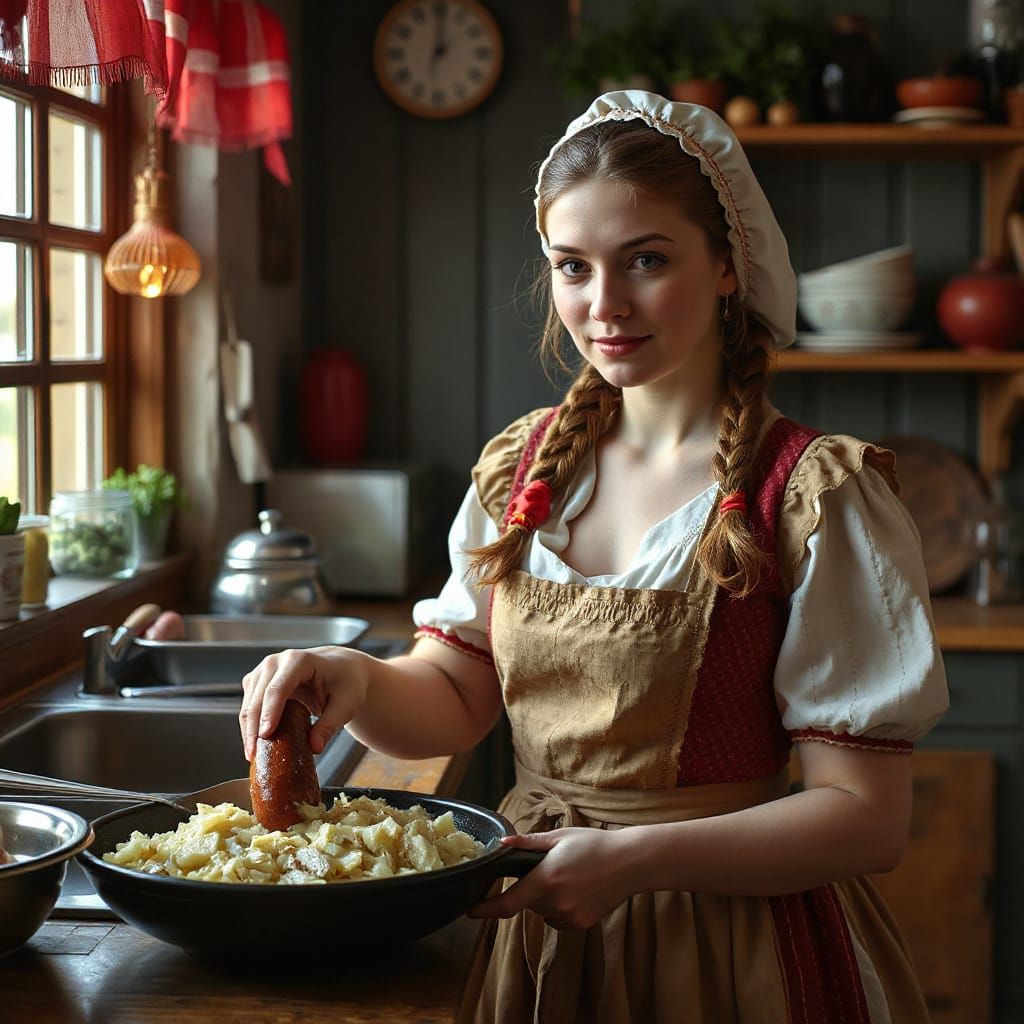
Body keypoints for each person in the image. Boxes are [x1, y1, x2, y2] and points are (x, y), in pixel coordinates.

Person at [239, 91, 948, 1023]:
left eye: (646, 260)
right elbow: (454, 694)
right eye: (572, 266)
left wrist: (633, 860)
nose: (603, 305)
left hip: (734, 951)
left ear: (727, 265)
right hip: (537, 930)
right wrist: (356, 679)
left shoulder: (812, 495)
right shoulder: (525, 468)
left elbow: (866, 818)